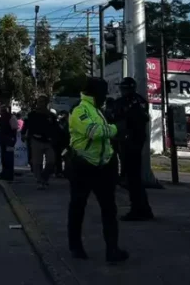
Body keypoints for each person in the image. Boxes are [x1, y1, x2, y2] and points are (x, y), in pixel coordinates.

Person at [67, 77, 128, 264]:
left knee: (109, 209)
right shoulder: (80, 110)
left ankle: (112, 250)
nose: (105, 97)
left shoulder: (97, 110)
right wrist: (116, 128)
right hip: (83, 165)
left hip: (104, 165)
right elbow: (94, 132)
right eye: (103, 93)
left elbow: (102, 132)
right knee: (78, 206)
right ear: (95, 93)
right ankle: (76, 247)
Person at [114, 77, 154, 221]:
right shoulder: (141, 101)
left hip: (129, 141)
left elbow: (117, 117)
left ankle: (138, 209)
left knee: (132, 178)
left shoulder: (126, 103)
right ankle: (142, 208)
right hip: (136, 141)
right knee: (132, 177)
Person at [23, 95, 56, 189]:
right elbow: (26, 125)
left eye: (42, 101)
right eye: (39, 101)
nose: (40, 103)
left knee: (51, 161)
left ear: (46, 103)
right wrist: (23, 134)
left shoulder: (51, 115)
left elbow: (55, 128)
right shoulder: (32, 114)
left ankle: (44, 177)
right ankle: (40, 181)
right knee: (37, 163)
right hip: (36, 140)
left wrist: (55, 138)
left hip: (48, 142)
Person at [0, 106, 19, 182]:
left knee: (9, 158)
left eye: (3, 110)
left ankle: (9, 175)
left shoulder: (12, 117)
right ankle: (4, 173)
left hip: (9, 140)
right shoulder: (1, 118)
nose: (2, 112)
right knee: (4, 157)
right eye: (2, 110)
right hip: (4, 140)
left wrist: (12, 138)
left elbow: (14, 128)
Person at [54, 111, 71, 178]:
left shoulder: (68, 124)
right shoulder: (57, 123)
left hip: (65, 145)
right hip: (59, 144)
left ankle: (65, 172)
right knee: (59, 158)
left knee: (66, 158)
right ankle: (59, 172)